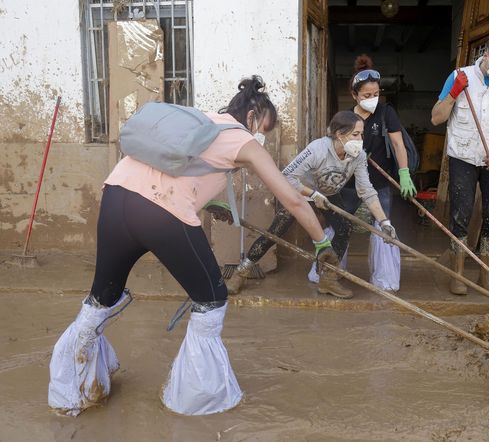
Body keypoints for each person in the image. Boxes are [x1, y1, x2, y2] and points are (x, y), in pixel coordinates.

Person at [47, 76, 339, 417]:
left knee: (102, 297)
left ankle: (72, 391)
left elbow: (179, 175)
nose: (263, 137)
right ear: (252, 117)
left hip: (114, 198)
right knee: (212, 299)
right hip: (160, 212)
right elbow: (290, 199)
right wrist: (321, 243)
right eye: (265, 128)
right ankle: (194, 401)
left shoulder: (199, 122)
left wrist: (212, 205)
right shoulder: (243, 140)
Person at [222, 111, 396, 299]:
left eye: (362, 134)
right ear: (339, 134)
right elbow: (287, 177)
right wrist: (312, 193)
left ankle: (328, 278)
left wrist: (384, 222)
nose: (360, 139)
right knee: (274, 232)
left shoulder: (358, 156)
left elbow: (366, 191)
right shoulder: (318, 149)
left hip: (328, 195)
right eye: (355, 134)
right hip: (301, 194)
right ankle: (241, 273)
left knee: (344, 228)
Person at [430, 35, 489, 295]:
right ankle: (458, 275)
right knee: (460, 214)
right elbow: (436, 118)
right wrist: (453, 93)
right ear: (485, 55)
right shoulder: (460, 76)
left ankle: (487, 275)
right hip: (463, 157)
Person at [339, 54, 415, 292]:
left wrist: (404, 172)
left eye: (376, 94)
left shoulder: (386, 113)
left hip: (379, 182)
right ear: (354, 95)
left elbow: (398, 144)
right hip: (349, 183)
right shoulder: (345, 118)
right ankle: (331, 270)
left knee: (383, 226)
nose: (372, 99)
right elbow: (335, 151)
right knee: (340, 223)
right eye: (366, 96)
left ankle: (384, 278)